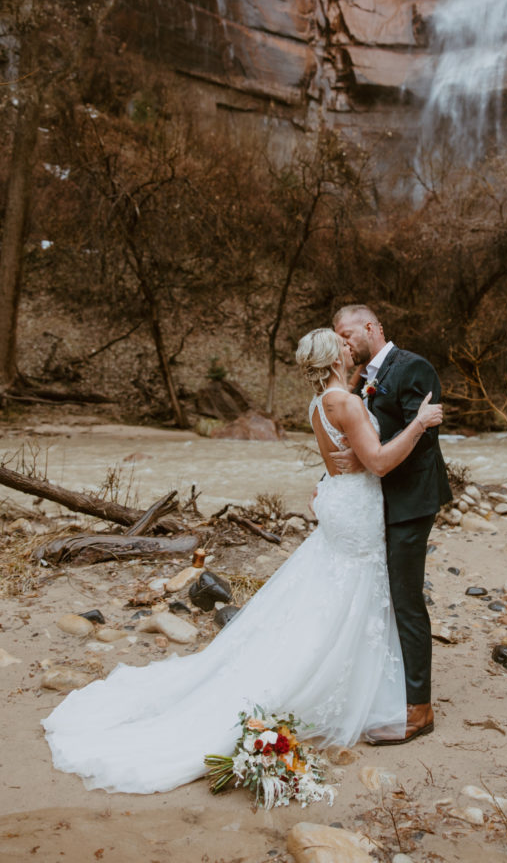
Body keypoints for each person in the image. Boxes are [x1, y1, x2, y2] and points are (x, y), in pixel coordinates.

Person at [42, 328, 443, 794]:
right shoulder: (348, 403)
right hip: (355, 509)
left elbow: (348, 454)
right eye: (343, 344)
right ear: (335, 359)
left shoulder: (321, 404)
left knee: (329, 593)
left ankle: (349, 674)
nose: (349, 346)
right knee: (351, 591)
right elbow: (376, 462)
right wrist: (418, 423)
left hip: (339, 502)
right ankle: (339, 683)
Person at [333, 305, 452, 746]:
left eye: (347, 336)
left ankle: (419, 709)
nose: (344, 345)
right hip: (379, 501)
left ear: (371, 327)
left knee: (405, 599)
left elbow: (424, 441)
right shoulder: (363, 380)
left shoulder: (413, 367)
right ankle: (393, 686)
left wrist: (371, 462)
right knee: (384, 593)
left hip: (411, 502)